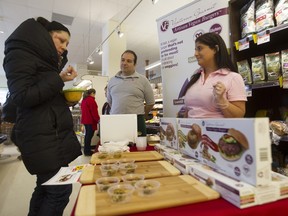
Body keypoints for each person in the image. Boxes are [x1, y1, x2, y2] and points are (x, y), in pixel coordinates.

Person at [3, 17, 82, 216]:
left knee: (46, 187)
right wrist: (58, 79)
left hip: (49, 137)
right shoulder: (21, 54)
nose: (64, 47)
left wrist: (64, 98)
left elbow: (42, 100)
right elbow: (22, 96)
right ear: (45, 37)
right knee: (60, 191)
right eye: (60, 40)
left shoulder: (44, 62)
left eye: (67, 44)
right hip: (42, 137)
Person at [180, 32, 247, 118]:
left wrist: (222, 100)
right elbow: (190, 111)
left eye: (199, 48)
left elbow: (239, 115)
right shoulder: (195, 77)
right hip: (192, 130)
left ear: (215, 49)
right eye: (195, 49)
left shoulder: (233, 77)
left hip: (217, 130)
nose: (195, 54)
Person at [107, 50, 155, 136]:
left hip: (137, 120)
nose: (124, 63)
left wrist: (141, 115)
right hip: (116, 120)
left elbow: (150, 102)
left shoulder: (143, 80)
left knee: (139, 148)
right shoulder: (112, 81)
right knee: (116, 147)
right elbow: (110, 101)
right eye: (123, 60)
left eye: (129, 61)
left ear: (135, 64)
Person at [80, 88, 100, 156]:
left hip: (85, 121)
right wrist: (98, 119)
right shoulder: (91, 100)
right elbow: (94, 112)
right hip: (90, 121)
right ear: (92, 93)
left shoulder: (84, 100)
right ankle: (87, 151)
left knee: (87, 136)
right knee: (89, 136)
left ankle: (86, 150)